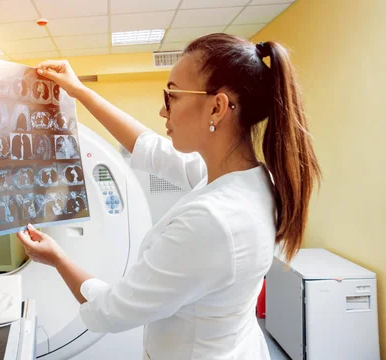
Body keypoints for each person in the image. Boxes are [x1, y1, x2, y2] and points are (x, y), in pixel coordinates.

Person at [16, 33, 321, 359]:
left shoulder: (212, 221)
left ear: (216, 107)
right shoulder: (251, 179)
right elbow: (149, 147)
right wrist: (81, 92)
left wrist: (56, 258)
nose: (164, 112)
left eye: (171, 96)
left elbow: (112, 310)